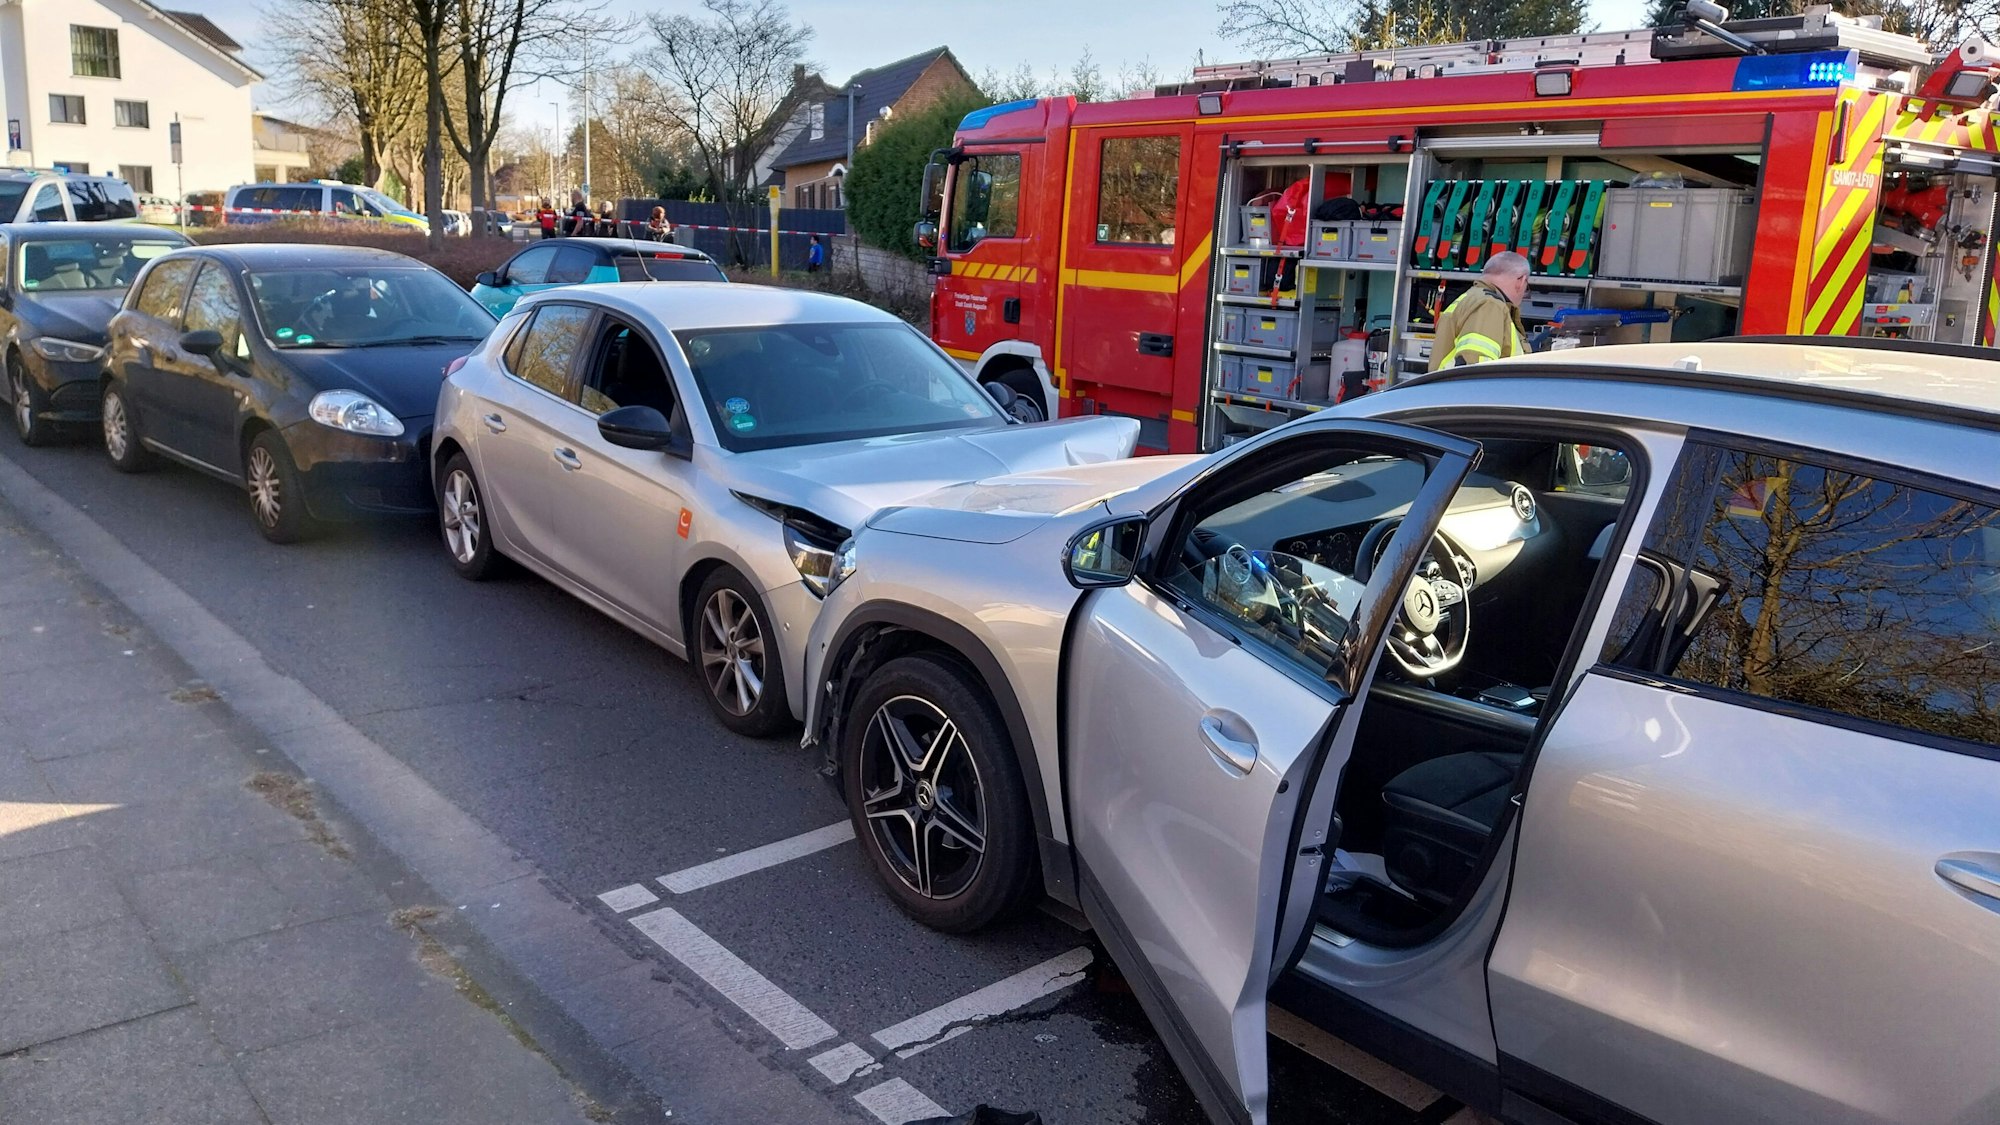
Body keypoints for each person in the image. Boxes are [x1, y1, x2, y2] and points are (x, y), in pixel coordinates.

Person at [1428, 251, 1529, 370]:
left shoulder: (1471, 298)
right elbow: (1477, 368)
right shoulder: (1489, 305)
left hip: (1446, 386)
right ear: (1521, 281)